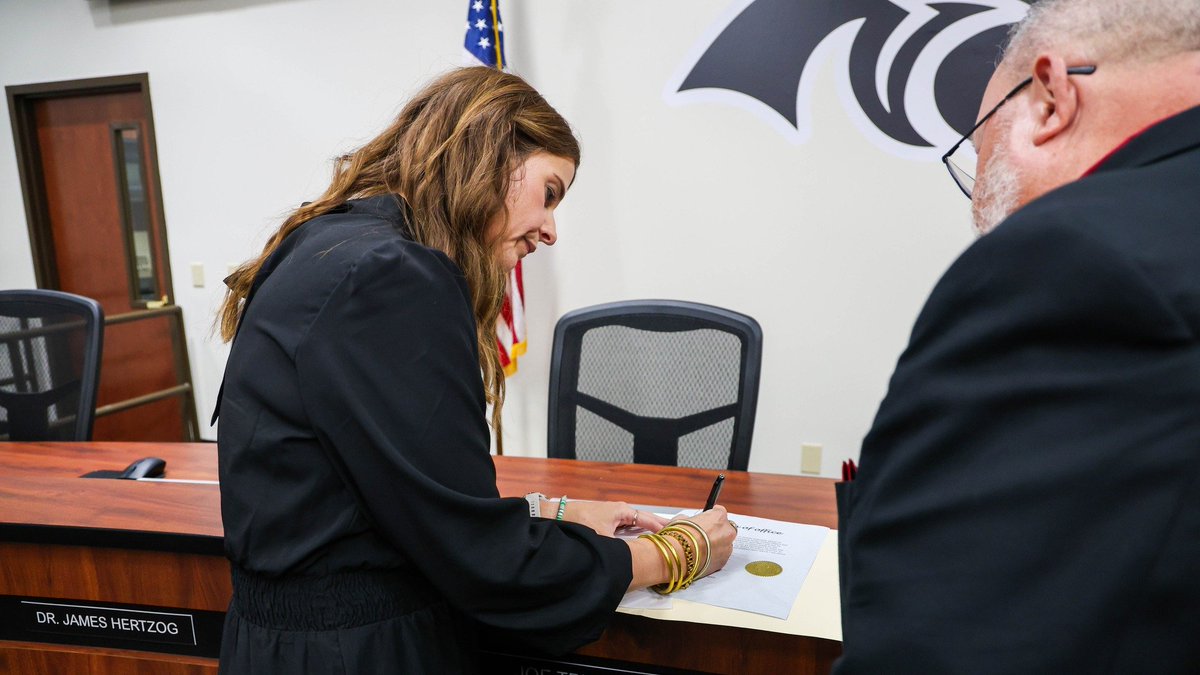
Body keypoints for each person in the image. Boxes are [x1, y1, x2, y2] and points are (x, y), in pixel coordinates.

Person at [212, 66, 735, 673]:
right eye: (549, 192)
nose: (551, 230)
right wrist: (674, 552)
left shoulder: (329, 243)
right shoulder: (395, 277)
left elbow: (385, 491)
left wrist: (552, 512)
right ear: (487, 156)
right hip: (359, 651)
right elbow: (488, 565)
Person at [836, 1, 1200, 672]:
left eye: (978, 150)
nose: (979, 206)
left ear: (1049, 99)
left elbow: (940, 644)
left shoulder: (1072, 256)